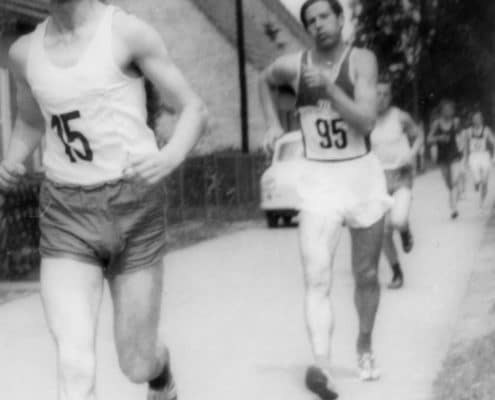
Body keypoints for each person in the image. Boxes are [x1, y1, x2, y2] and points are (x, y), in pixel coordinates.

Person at [2, 1, 208, 399]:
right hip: (66, 211)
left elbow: (193, 109)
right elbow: (31, 119)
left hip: (134, 206)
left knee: (136, 362)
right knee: (74, 363)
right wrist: (13, 158)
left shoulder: (126, 33)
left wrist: (169, 156)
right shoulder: (24, 52)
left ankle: (160, 375)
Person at [259, 0, 391, 397]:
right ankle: (322, 366)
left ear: (340, 19)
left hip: (361, 177)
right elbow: (265, 80)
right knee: (316, 276)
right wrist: (269, 124)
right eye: (310, 20)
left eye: (325, 17)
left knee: (366, 274)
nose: (318, 25)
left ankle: (364, 344)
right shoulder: (293, 65)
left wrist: (328, 88)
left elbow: (367, 120)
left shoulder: (361, 61)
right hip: (319, 179)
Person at [370, 77, 423, 289]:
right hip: (378, 179)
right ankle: (397, 272)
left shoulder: (400, 117)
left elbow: (419, 136)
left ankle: (405, 231)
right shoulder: (367, 119)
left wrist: (411, 154)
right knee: (382, 232)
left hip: (401, 175)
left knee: (399, 219)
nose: (381, 98)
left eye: (385, 94)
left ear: (390, 97)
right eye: (378, 94)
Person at [427, 100, 463, 219]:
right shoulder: (437, 124)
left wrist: (462, 147)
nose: (449, 111)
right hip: (442, 156)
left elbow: (461, 136)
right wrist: (439, 138)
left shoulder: (456, 122)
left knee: (454, 180)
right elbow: (429, 139)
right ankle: (453, 196)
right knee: (449, 183)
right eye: (446, 109)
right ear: (442, 111)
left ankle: (454, 208)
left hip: (454, 154)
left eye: (450, 109)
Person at [465, 110, 495, 205]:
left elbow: (494, 142)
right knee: (476, 174)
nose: (476, 120)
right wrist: (466, 158)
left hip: (484, 155)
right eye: (475, 119)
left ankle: (482, 200)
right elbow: (466, 146)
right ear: (472, 120)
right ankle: (477, 182)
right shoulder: (469, 131)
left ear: (482, 119)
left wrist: (494, 157)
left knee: (485, 182)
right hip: (473, 155)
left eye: (478, 118)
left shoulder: (486, 130)